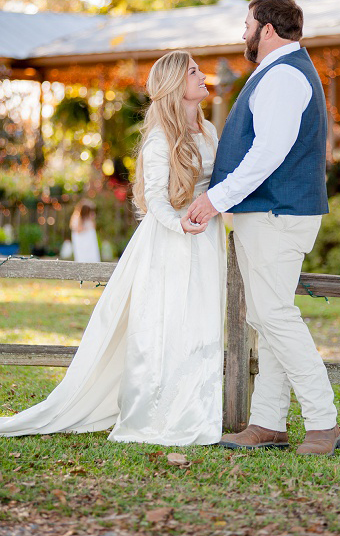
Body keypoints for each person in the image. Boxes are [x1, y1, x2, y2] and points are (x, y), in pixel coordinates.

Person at [0, 51, 226, 446]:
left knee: (202, 323)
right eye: (194, 72)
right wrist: (180, 224)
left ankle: (197, 405)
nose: (202, 75)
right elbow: (155, 198)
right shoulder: (160, 139)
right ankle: (161, 411)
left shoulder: (208, 131)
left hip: (207, 238)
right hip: (171, 241)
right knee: (169, 325)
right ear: (177, 85)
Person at [186, 0, 340, 456]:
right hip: (268, 213)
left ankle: (324, 423)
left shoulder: (284, 78)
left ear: (266, 29)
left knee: (275, 316)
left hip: (278, 213)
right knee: (266, 319)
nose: (243, 33)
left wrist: (214, 200)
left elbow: (268, 154)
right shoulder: (279, 73)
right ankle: (269, 423)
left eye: (248, 24)